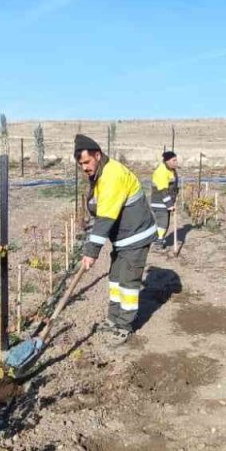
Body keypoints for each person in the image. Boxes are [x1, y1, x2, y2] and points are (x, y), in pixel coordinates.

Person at [76, 134, 157, 345]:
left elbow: (105, 218)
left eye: (87, 162)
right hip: (122, 237)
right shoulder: (101, 173)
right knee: (114, 278)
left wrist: (91, 251)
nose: (84, 167)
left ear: (98, 155)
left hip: (135, 236)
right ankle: (113, 319)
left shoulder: (112, 176)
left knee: (128, 282)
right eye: (80, 164)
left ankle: (125, 326)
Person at [149, 151, 180, 251]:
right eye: (174, 160)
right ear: (167, 161)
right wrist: (169, 204)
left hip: (166, 202)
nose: (176, 162)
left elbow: (173, 186)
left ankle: (159, 240)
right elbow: (163, 190)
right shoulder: (161, 171)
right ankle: (157, 244)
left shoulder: (171, 170)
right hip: (160, 202)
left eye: (176, 160)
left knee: (164, 224)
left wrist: (175, 196)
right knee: (162, 223)